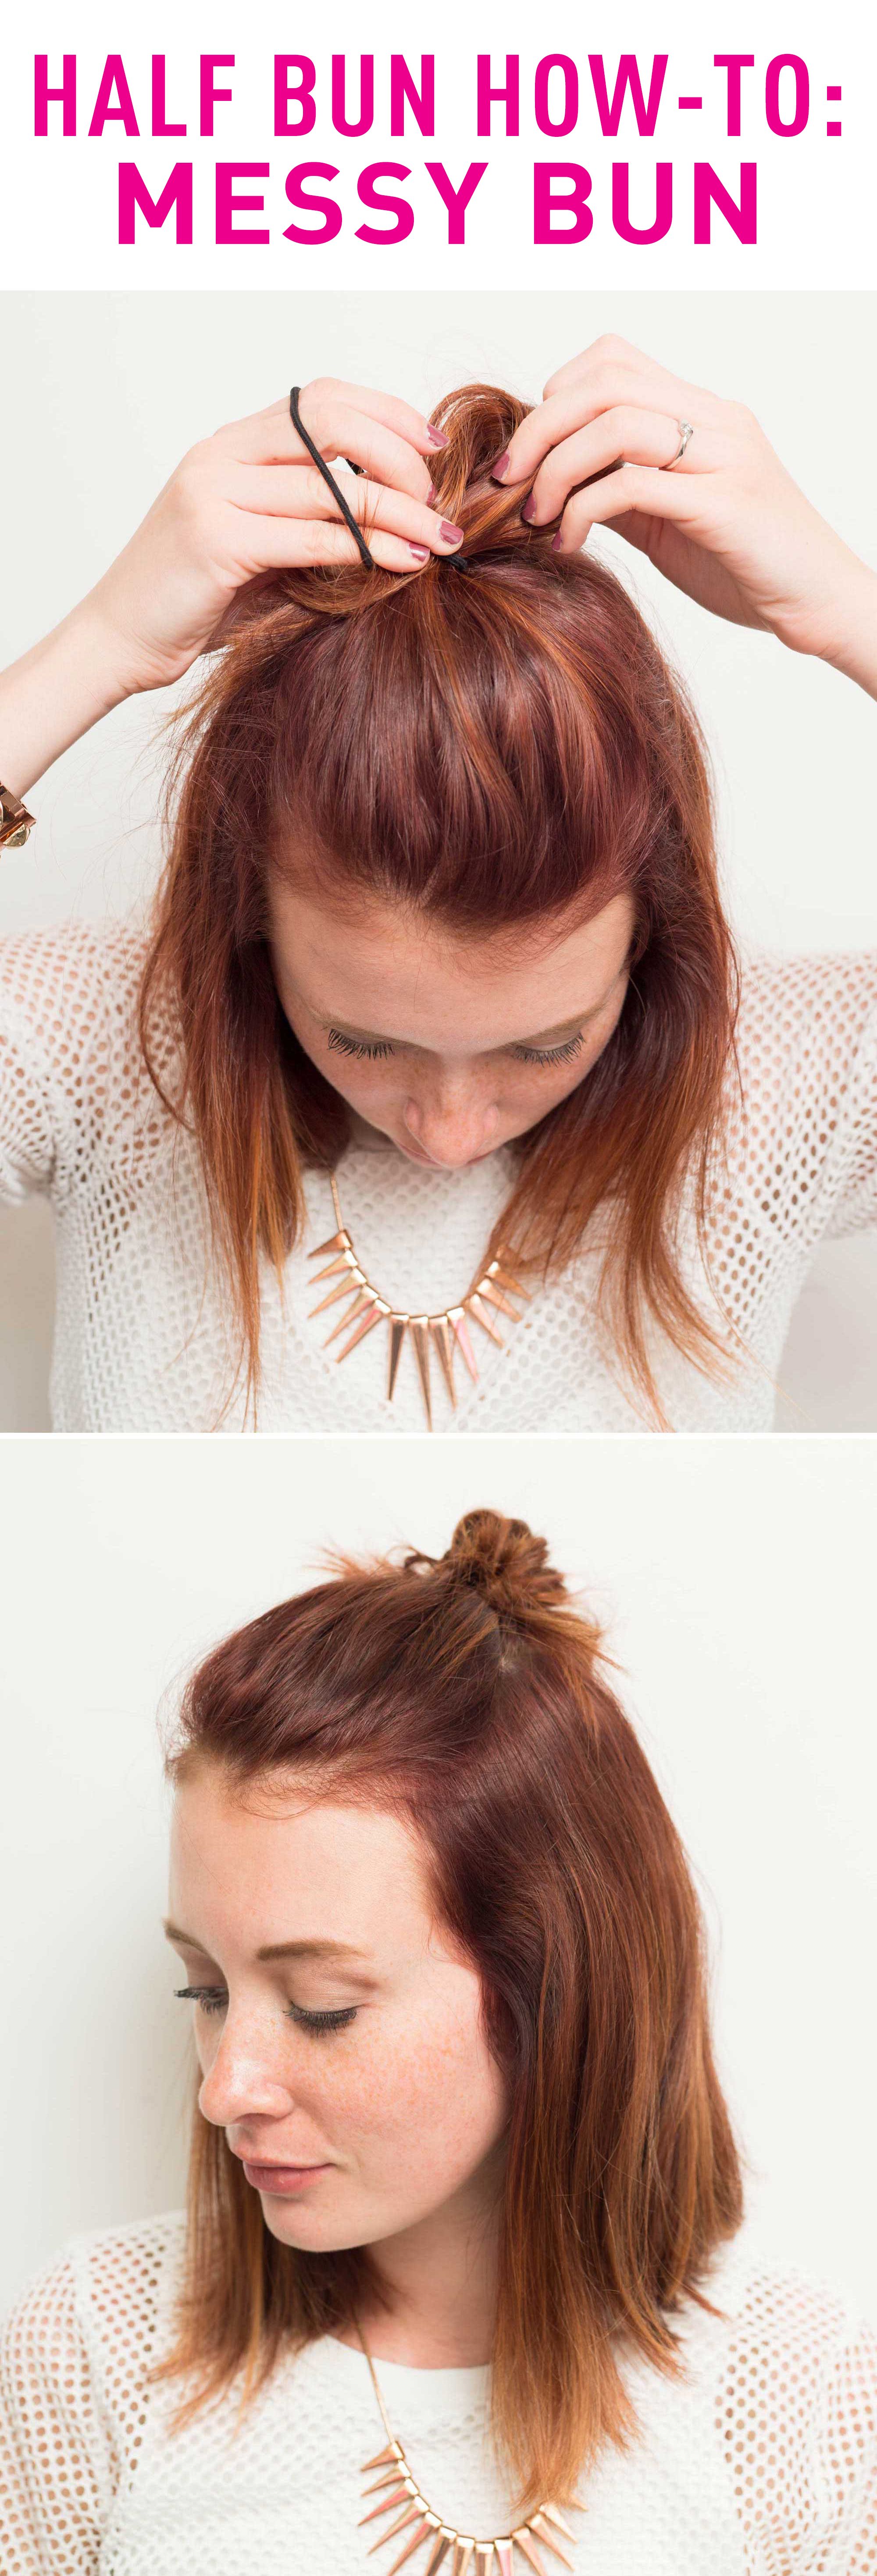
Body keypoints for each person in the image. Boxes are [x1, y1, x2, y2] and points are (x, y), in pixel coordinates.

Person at [0, 337, 875, 1435]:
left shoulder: (779, 1086)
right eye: (364, 1040)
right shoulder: (109, 1051)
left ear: (654, 933)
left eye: (545, 1044)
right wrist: (100, 643)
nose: (450, 1133)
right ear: (250, 918)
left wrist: (846, 608)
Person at [0, 1507, 872, 2572]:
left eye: (323, 2003)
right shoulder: (99, 2342)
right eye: (204, 1989)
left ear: (553, 1991)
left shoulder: (792, 2396)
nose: (225, 2089)